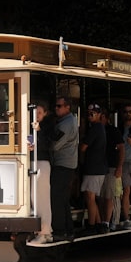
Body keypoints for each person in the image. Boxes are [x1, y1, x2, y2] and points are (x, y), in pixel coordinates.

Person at [50, 95, 79, 240]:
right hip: (67, 165)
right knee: (63, 199)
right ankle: (68, 230)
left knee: (57, 198)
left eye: (59, 106)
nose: (56, 108)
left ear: (67, 107)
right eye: (55, 106)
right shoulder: (68, 120)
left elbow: (55, 145)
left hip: (63, 165)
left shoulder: (66, 124)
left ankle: (60, 231)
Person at [27, 99, 55, 244]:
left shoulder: (47, 126)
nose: (37, 115)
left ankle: (45, 232)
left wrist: (39, 131)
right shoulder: (28, 126)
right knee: (33, 196)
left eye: (39, 113)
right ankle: (40, 230)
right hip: (31, 162)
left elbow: (50, 144)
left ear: (44, 113)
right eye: (35, 112)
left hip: (42, 163)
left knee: (42, 197)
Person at [79, 103, 108, 234]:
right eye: (88, 114)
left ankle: (91, 226)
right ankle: (98, 223)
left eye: (93, 114)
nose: (90, 116)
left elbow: (83, 147)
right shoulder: (99, 128)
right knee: (90, 197)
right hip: (96, 168)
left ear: (99, 115)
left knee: (90, 197)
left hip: (94, 168)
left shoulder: (95, 128)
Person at [100, 108, 124, 230]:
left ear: (106, 118)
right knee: (101, 195)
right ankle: (104, 220)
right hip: (99, 167)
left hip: (111, 166)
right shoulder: (96, 129)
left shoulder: (113, 131)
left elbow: (121, 148)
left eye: (102, 116)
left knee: (109, 195)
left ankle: (108, 221)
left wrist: (119, 166)